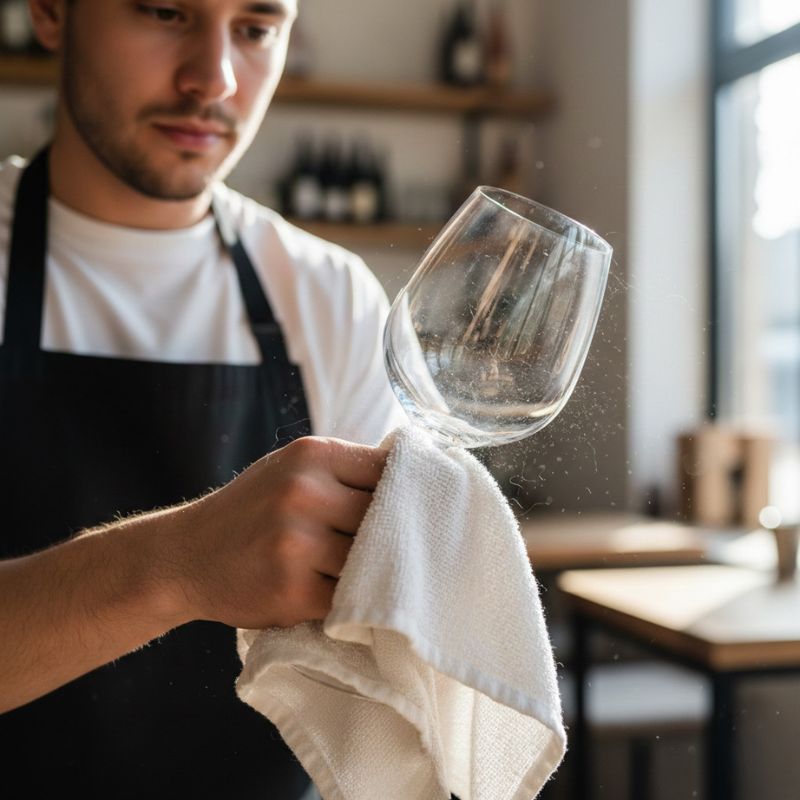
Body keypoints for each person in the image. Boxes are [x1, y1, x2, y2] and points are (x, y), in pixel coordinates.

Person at [0, 0, 404, 796]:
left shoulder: (331, 297)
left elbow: (374, 671)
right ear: (50, 12)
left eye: (255, 28)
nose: (213, 78)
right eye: (164, 10)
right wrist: (181, 564)